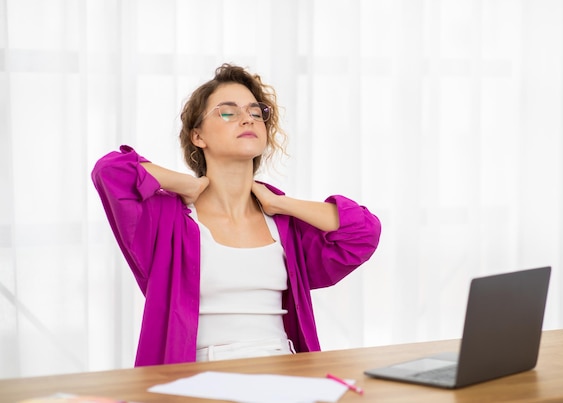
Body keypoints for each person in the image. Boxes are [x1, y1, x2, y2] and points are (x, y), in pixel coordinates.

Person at [91, 63, 381, 367]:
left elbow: (363, 232)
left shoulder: (284, 224)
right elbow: (109, 171)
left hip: (285, 369)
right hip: (198, 378)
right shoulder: (167, 219)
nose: (247, 118)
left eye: (256, 113)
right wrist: (186, 184)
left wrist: (282, 205)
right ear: (198, 136)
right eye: (228, 112)